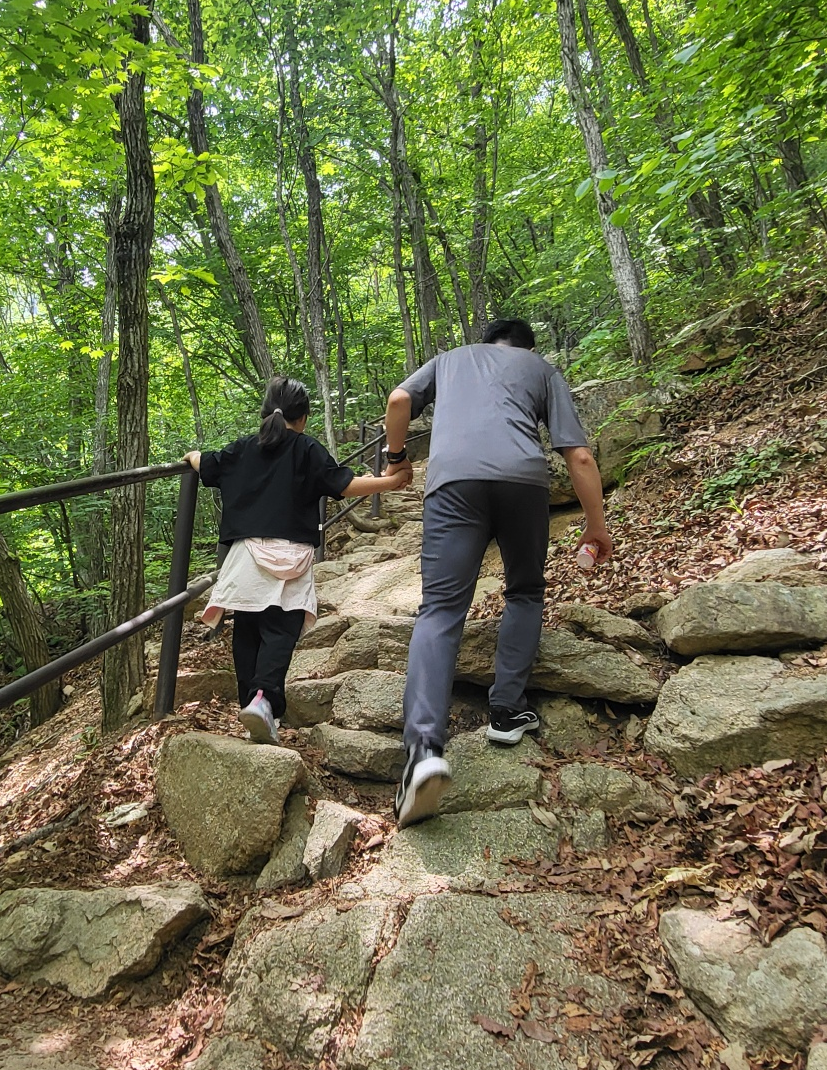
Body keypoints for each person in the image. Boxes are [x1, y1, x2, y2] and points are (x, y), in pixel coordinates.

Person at [383, 318, 613, 827]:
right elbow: (577, 453)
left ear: (486, 342)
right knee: (526, 590)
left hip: (453, 484)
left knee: (441, 609)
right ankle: (507, 712)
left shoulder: (449, 359)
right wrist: (595, 525)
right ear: (527, 348)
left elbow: (399, 402)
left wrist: (396, 458)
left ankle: (422, 751)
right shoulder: (541, 369)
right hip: (523, 483)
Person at [187, 376, 412, 744]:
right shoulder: (307, 448)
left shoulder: (242, 449)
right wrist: (390, 482)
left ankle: (252, 704)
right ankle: (264, 700)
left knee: (247, 630)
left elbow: (205, 464)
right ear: (304, 418)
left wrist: (191, 457)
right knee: (280, 629)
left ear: (264, 414)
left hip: (245, 556)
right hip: (291, 554)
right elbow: (344, 484)